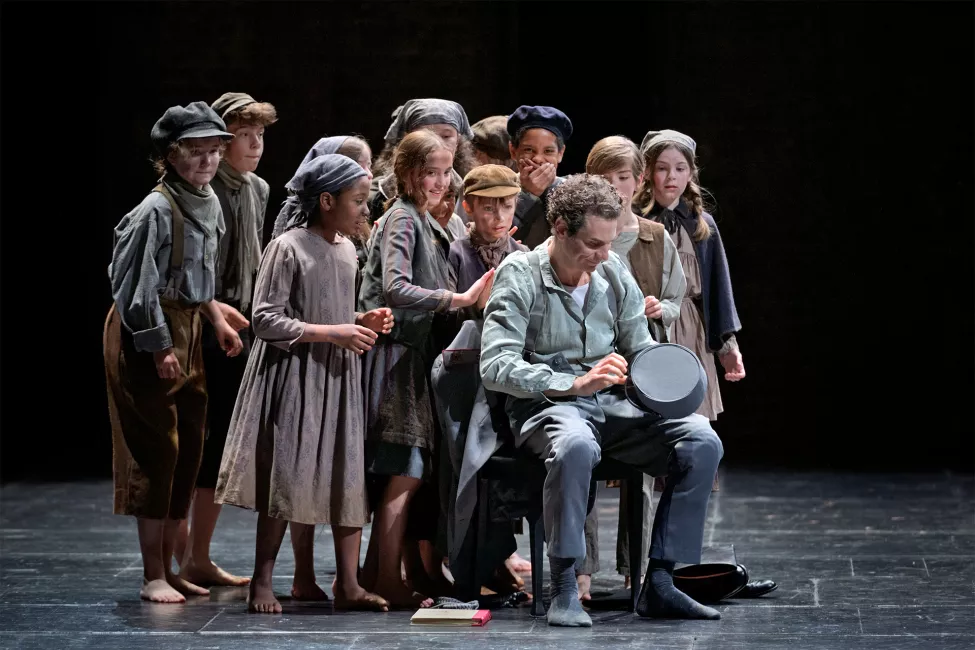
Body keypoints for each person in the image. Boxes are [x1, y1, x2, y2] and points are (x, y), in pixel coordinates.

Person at [480, 173, 723, 626]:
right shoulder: (521, 274)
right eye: (591, 244)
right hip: (548, 408)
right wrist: (572, 384)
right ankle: (566, 586)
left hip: (611, 408)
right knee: (574, 445)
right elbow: (495, 365)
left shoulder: (611, 272)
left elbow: (639, 344)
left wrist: (664, 380)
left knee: (701, 439)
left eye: (608, 243)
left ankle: (661, 582)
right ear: (559, 228)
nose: (602, 255)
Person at [214, 154, 393, 614]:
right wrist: (334, 332)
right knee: (288, 480)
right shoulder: (288, 246)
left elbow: (327, 308)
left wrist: (358, 319)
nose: (363, 210)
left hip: (337, 378)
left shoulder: (348, 250)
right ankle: (263, 581)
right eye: (356, 201)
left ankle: (349, 585)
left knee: (346, 474)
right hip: (295, 376)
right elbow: (266, 319)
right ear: (327, 200)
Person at [104, 101, 243, 604]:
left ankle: (175, 565)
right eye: (196, 152)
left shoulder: (206, 200)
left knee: (189, 449)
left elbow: (197, 279)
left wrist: (216, 319)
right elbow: (134, 288)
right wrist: (160, 346)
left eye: (213, 151)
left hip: (186, 327)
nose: (206, 161)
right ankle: (152, 573)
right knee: (157, 451)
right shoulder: (156, 209)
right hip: (148, 328)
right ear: (172, 154)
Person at [358, 130, 493, 607]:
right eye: (429, 173)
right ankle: (385, 576)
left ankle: (379, 571)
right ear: (407, 173)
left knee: (410, 468)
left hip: (416, 354)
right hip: (397, 356)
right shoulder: (401, 219)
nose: (438, 182)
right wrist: (454, 299)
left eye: (443, 172)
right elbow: (394, 286)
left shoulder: (423, 220)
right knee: (403, 467)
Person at [572, 135, 687, 599]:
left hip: (641, 363)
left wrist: (664, 309)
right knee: (581, 460)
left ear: (639, 182)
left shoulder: (653, 237)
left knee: (639, 470)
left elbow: (679, 298)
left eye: (623, 179)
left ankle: (634, 568)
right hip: (591, 363)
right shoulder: (576, 235)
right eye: (605, 179)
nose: (615, 188)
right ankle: (580, 570)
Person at [175, 92, 277, 589]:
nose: (255, 144)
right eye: (244, 135)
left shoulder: (257, 188)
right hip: (206, 320)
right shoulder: (205, 189)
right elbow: (196, 267)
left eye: (260, 135)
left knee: (224, 445)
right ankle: (184, 548)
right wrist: (216, 311)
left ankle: (198, 553)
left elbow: (253, 258)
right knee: (200, 438)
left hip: (242, 324)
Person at [270, 135, 374, 269]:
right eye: (360, 166)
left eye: (369, 165)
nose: (369, 174)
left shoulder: (347, 241)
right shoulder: (292, 246)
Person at [368, 98, 475, 224]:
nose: (437, 143)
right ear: (407, 140)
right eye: (425, 134)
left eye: (446, 136)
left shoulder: (470, 190)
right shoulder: (383, 194)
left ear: (458, 140)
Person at [507, 105, 572, 249]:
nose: (538, 159)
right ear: (513, 151)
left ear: (560, 153)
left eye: (548, 151)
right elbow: (497, 241)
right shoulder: (500, 188)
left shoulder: (572, 191)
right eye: (529, 150)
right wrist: (528, 195)